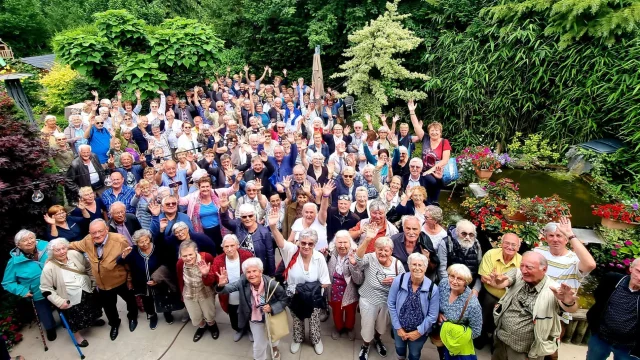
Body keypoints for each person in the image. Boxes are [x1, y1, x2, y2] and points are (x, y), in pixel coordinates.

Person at [488, 251, 579, 360]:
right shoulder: (518, 274)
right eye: (522, 265)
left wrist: (568, 302)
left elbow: (571, 308)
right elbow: (506, 280)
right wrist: (499, 283)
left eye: (529, 267)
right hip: (501, 340)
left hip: (525, 351)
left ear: (544, 269)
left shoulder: (553, 289)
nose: (524, 270)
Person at [269, 213, 331, 355]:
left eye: (310, 243)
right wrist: (273, 227)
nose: (306, 246)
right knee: (297, 319)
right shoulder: (291, 252)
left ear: (314, 244)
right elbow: (281, 243)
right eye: (303, 243)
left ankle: (316, 340)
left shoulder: (319, 257)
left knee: (314, 320)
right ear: (299, 242)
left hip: (313, 296)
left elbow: (325, 282)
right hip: (294, 295)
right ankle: (298, 339)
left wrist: (307, 291)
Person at [68, 219, 139, 340]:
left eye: (100, 231)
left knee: (130, 300)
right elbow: (74, 245)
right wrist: (59, 248)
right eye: (93, 233)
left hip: (120, 280)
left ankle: (132, 317)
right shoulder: (87, 240)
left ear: (106, 230)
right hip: (102, 284)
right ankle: (115, 324)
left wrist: (130, 279)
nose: (97, 235)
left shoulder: (119, 240)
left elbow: (129, 260)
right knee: (109, 307)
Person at [216, 257, 289, 360]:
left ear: (261, 271)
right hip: (255, 318)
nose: (251, 274)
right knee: (259, 344)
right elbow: (228, 289)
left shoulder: (272, 284)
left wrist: (272, 308)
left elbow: (284, 300)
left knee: (273, 336)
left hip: (270, 317)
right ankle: (259, 358)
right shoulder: (243, 281)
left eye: (254, 271)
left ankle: (275, 348)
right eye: (248, 272)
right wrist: (221, 285)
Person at [39, 238, 103, 347]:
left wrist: (93, 281)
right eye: (57, 250)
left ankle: (93, 321)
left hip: (86, 289)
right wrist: (59, 302)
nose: (62, 252)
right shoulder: (49, 267)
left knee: (90, 308)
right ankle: (77, 337)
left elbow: (87, 267)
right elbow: (45, 288)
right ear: (52, 252)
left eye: (63, 248)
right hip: (69, 297)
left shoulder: (74, 254)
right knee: (73, 319)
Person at [534, 217, 596, 330]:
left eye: (559, 235)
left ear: (566, 240)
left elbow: (590, 265)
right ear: (546, 238)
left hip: (559, 310)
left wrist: (570, 234)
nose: (555, 239)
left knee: (550, 344)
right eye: (551, 236)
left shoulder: (575, 260)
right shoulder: (538, 252)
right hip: (534, 305)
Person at [355, 233, 406, 360]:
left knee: (382, 326)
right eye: (380, 249)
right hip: (368, 299)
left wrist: (395, 282)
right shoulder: (370, 258)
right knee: (367, 325)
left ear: (391, 251)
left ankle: (378, 340)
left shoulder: (397, 264)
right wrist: (367, 240)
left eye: (386, 250)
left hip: (386, 302)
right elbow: (358, 260)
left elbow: (404, 283)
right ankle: (365, 345)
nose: (382, 253)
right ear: (375, 249)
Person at [2, 230, 57, 341]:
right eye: (24, 240)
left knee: (62, 305)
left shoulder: (47, 246)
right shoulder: (14, 262)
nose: (29, 241)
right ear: (18, 245)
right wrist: (22, 291)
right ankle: (50, 328)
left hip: (56, 284)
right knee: (44, 312)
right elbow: (7, 282)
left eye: (31, 238)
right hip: (37, 291)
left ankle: (68, 322)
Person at [117, 229, 177, 330]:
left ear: (149, 238)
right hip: (141, 283)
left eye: (146, 240)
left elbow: (166, 263)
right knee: (147, 301)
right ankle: (153, 317)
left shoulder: (157, 248)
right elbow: (119, 262)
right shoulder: (133, 250)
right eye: (141, 242)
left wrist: (156, 279)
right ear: (136, 243)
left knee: (163, 297)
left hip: (158, 280)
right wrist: (123, 256)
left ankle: (167, 313)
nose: (144, 244)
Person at [586, 257, 640, 360]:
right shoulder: (612, 280)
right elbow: (598, 298)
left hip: (628, 346)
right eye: (638, 271)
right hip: (601, 337)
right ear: (631, 268)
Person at [388, 253, 440, 360]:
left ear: (425, 268)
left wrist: (419, 332)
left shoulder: (432, 288)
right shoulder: (399, 280)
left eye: (420, 265)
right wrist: (398, 327)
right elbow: (391, 303)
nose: (417, 268)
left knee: (414, 354)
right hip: (399, 328)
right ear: (409, 266)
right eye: (414, 264)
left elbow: (432, 315)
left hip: (420, 331)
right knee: (399, 349)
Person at [477, 234, 522, 346]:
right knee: (486, 310)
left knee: (505, 319)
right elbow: (483, 277)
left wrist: (500, 283)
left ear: (518, 247)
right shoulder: (491, 254)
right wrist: (501, 282)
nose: (510, 247)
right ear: (501, 244)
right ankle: (481, 336)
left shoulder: (521, 261)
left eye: (513, 245)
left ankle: (495, 340)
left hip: (509, 297)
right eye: (507, 243)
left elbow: (520, 284)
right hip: (489, 293)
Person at [432, 264, 482, 360]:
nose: (454, 281)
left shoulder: (473, 304)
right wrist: (437, 314)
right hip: (441, 337)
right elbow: (435, 302)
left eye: (459, 279)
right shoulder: (443, 284)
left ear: (466, 282)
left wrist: (455, 333)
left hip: (457, 344)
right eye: (452, 276)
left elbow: (476, 331)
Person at [178, 176, 239, 253]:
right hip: (203, 231)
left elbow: (232, 189)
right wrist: (176, 191)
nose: (205, 189)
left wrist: (236, 182)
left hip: (220, 229)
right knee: (209, 252)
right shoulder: (193, 197)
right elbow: (181, 201)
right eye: (203, 187)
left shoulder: (217, 193)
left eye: (207, 186)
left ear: (211, 187)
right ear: (199, 187)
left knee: (223, 250)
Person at [211, 235, 254, 341]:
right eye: (226, 246)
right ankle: (239, 330)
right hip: (229, 296)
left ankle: (249, 330)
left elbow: (254, 270)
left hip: (246, 294)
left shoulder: (247, 256)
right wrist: (208, 276)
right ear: (222, 247)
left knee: (249, 313)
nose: (229, 249)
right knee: (234, 316)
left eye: (232, 245)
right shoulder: (218, 260)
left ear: (237, 245)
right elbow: (211, 281)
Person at [407, 100, 450, 204]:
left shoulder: (444, 142)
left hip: (437, 173)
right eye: (432, 130)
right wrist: (412, 111)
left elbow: (445, 160)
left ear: (440, 132)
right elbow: (416, 126)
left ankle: (433, 204)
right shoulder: (425, 138)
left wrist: (430, 171)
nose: (434, 132)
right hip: (423, 171)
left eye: (437, 131)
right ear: (429, 131)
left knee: (432, 183)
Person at [219, 199, 276, 276]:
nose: (248, 218)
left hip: (258, 269)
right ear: (241, 218)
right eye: (244, 217)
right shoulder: (237, 225)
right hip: (241, 268)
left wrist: (272, 274)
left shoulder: (264, 232)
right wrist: (223, 209)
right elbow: (226, 221)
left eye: (250, 216)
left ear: (255, 216)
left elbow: (270, 254)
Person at [176, 240, 219, 342]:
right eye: (184, 256)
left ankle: (212, 326)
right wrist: (182, 294)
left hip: (205, 291)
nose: (188, 258)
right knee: (195, 315)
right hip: (189, 293)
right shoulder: (180, 263)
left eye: (190, 254)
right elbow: (180, 279)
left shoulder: (206, 257)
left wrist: (206, 274)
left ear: (196, 251)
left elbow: (213, 277)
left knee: (209, 313)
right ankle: (202, 327)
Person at [327, 231, 363, 340]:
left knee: (350, 312)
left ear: (350, 243)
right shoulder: (330, 253)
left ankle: (349, 328)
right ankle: (338, 327)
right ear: (335, 243)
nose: (342, 245)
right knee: (336, 311)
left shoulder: (356, 255)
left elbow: (359, 280)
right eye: (339, 242)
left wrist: (354, 265)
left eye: (345, 242)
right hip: (334, 290)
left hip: (350, 290)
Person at [438, 220, 483, 296]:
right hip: (450, 287)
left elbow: (480, 270)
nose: (467, 237)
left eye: (471, 234)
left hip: (470, 288)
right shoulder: (446, 243)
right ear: (457, 232)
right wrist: (451, 288)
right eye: (464, 234)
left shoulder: (476, 244)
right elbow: (441, 269)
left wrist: (476, 289)